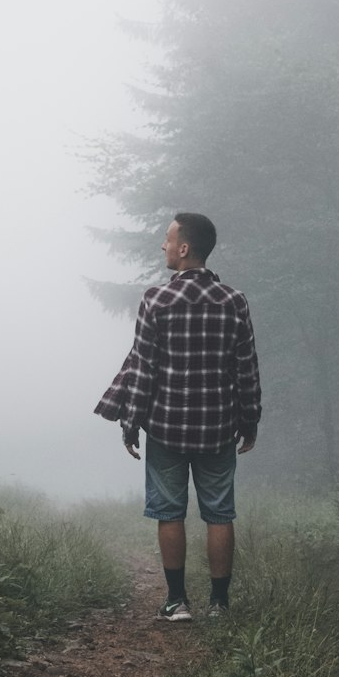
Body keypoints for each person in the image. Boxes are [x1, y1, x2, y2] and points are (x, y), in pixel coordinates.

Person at [94, 212, 261, 621]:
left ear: (184, 249)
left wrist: (130, 422)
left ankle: (176, 602)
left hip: (167, 428)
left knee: (169, 512)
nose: (164, 246)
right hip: (218, 427)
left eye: (168, 240)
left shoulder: (157, 300)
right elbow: (246, 367)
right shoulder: (234, 301)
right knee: (219, 513)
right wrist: (249, 418)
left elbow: (143, 367)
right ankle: (219, 605)